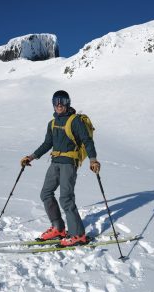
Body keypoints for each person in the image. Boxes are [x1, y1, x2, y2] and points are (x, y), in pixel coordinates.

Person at [21, 90, 100, 246]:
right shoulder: (52, 123)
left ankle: (78, 235)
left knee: (66, 198)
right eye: (56, 100)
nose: (59, 104)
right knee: (46, 193)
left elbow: (87, 141)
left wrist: (93, 160)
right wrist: (31, 157)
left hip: (69, 163)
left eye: (62, 100)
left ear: (67, 102)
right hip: (55, 162)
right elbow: (47, 144)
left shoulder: (75, 120)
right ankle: (58, 227)